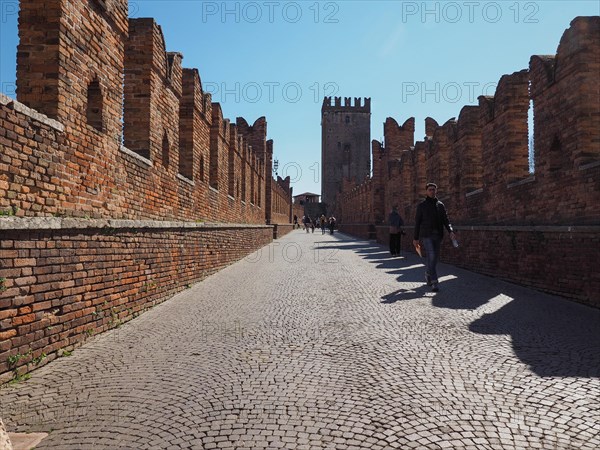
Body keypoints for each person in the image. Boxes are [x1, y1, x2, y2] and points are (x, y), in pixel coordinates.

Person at [413, 183, 456, 292]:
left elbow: (446, 220)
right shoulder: (422, 206)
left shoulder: (440, 205)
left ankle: (428, 273)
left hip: (438, 235)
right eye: (430, 189)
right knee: (431, 255)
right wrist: (415, 238)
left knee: (435, 258)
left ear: (436, 191)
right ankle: (434, 282)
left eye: (434, 190)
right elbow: (417, 223)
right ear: (426, 191)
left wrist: (450, 231)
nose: (432, 191)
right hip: (426, 235)